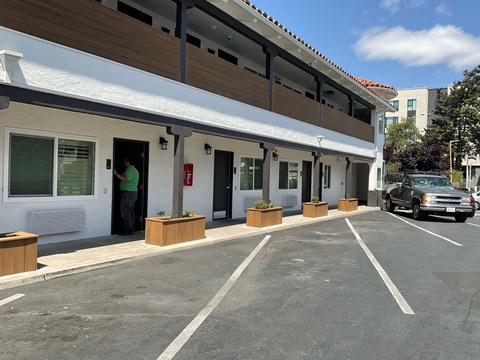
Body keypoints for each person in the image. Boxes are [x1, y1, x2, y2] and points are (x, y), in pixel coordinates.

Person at [114, 157, 139, 236]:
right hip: (132, 193)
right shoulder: (135, 170)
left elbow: (127, 179)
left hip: (128, 194)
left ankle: (128, 230)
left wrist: (116, 174)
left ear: (128, 162)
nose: (124, 163)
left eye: (125, 161)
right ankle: (131, 229)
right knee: (130, 211)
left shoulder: (130, 169)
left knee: (125, 212)